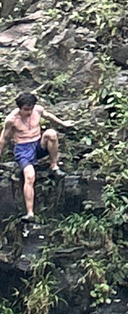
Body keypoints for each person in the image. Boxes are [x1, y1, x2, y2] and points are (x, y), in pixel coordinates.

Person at [0, 93, 74, 222]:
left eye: (30, 109)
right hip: (23, 149)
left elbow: (48, 115)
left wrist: (63, 123)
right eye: (25, 110)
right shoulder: (12, 119)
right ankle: (30, 213)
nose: (28, 112)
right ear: (20, 108)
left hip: (38, 144)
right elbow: (3, 139)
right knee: (30, 175)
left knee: (51, 134)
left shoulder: (38, 110)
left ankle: (54, 166)